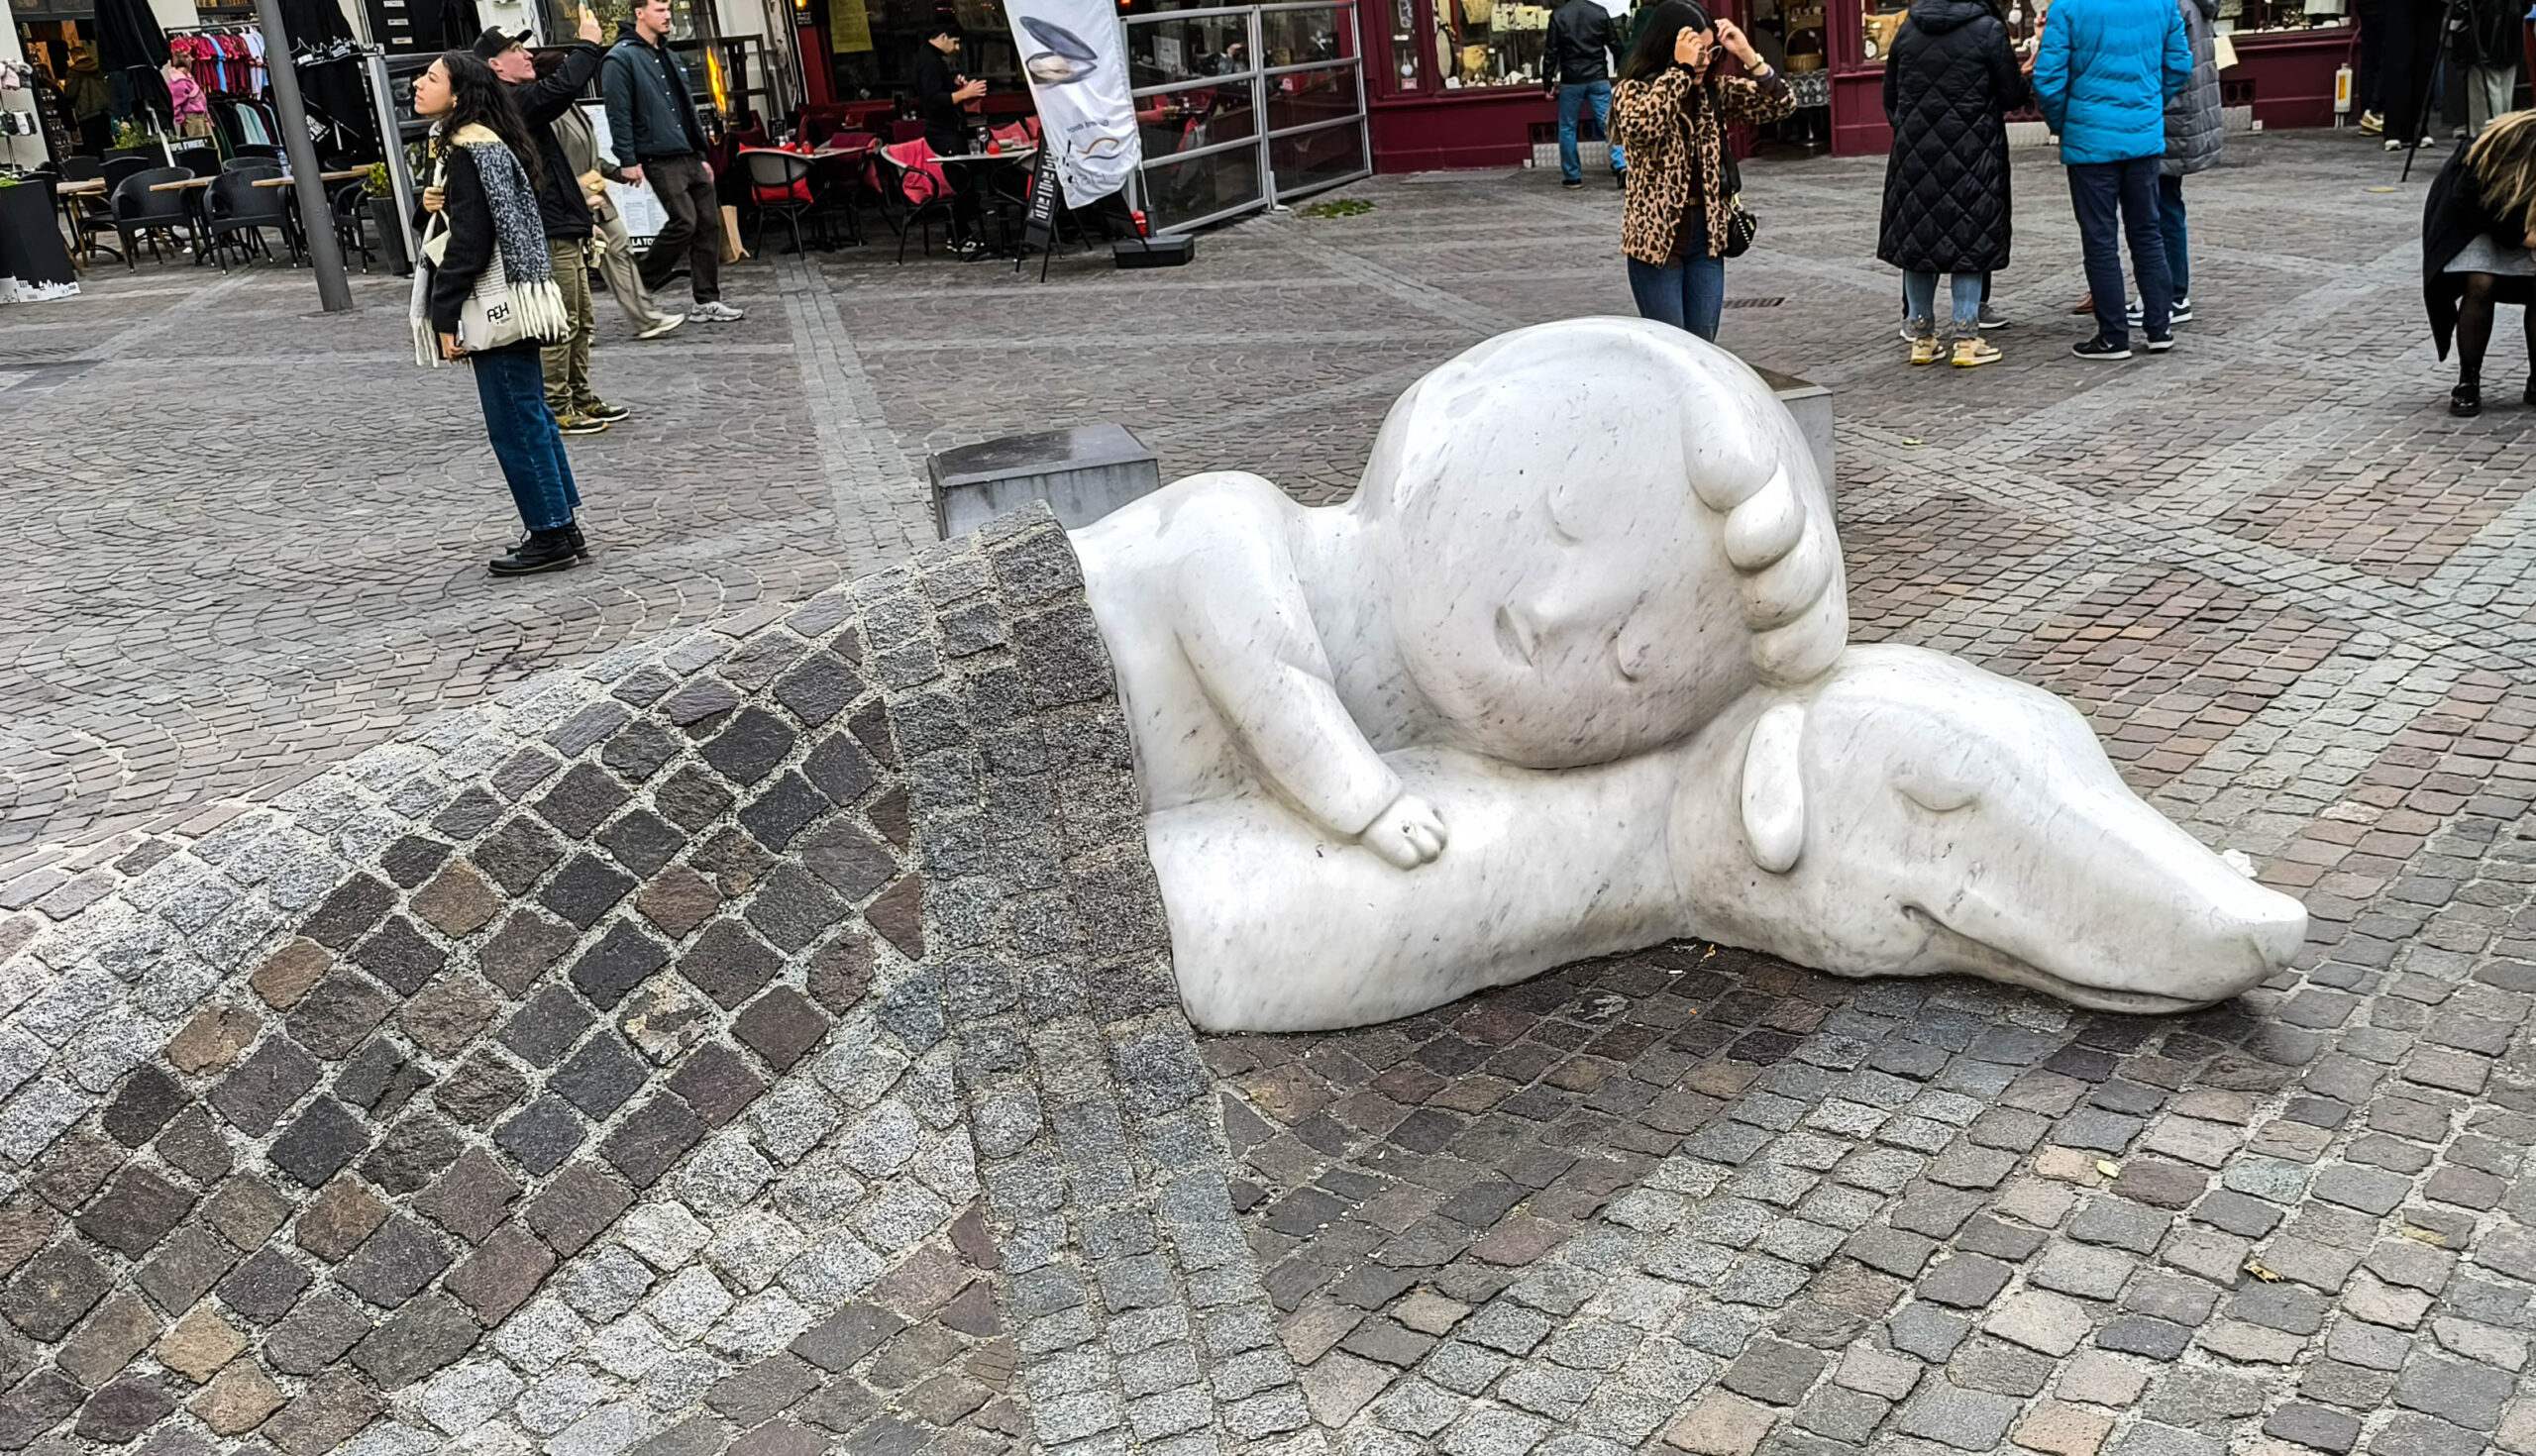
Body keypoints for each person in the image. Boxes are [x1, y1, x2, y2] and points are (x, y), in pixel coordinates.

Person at [410, 51, 586, 576]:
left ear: (458, 95)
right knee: (532, 415)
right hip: (521, 294)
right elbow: (466, 222)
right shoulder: (483, 142)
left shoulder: (468, 149)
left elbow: (469, 242)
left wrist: (443, 316)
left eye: (431, 78)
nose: (418, 84)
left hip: (495, 302)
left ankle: (550, 534)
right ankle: (562, 525)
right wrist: (431, 204)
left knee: (515, 423)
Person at [1610, 0, 1793, 341]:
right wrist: (1680, 71)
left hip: (1707, 240)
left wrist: (1748, 54)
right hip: (1657, 244)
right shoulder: (1632, 91)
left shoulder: (1712, 92)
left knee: (1704, 347)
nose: (1705, 61)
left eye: (1710, 52)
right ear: (1671, 47)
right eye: (1698, 52)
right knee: (1672, 349)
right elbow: (1642, 127)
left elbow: (1781, 105)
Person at [477, 14, 620, 436]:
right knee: (562, 321)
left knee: (582, 319)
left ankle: (578, 394)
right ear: (495, 66)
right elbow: (559, 89)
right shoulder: (508, 103)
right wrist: (588, 45)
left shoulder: (518, 99)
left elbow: (554, 170)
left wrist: (582, 220)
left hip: (563, 224)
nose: (526, 55)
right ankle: (557, 404)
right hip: (547, 230)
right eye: (515, 50)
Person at [2033, 0, 2189, 360]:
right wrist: (2149, 103)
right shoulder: (2162, 4)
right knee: (2148, 232)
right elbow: (2179, 65)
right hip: (2141, 135)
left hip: (2090, 138)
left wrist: (2063, 123)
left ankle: (2113, 334)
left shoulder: (2068, 7)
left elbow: (2048, 79)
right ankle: (2159, 327)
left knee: (2100, 238)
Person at [1877, 0, 2026, 366]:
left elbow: (1890, 95)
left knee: (1918, 242)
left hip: (1914, 153)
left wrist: (1909, 129)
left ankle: (1922, 337)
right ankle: (1966, 338)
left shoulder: (1908, 29)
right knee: (1969, 239)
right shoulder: (1988, 29)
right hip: (1973, 150)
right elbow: (2011, 96)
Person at [602, 0, 743, 321]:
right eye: (660, 10)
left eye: (669, 9)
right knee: (685, 221)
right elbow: (618, 114)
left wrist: (701, 154)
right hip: (658, 156)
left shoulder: (669, 55)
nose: (668, 16)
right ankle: (638, 283)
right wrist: (628, 159)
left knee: (708, 224)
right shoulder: (620, 58)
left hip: (688, 154)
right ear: (639, 13)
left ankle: (706, 300)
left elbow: (686, 109)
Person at [551, 82, 686, 341]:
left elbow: (591, 160)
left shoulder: (572, 108)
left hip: (597, 200)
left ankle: (645, 317)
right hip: (572, 202)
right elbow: (553, 167)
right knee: (572, 266)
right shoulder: (550, 114)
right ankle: (577, 329)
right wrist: (582, 195)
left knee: (620, 250)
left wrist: (618, 173)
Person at [2423, 109, 2536, 416]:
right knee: (2481, 282)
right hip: (2474, 220)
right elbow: (2467, 199)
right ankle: (2468, 380)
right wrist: (2521, 236)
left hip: (2526, 211)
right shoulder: (2485, 154)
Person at [2149, 0, 2220, 324]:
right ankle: (2170, 292)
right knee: (2166, 204)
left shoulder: (2174, 4)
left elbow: (2169, 62)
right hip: (2182, 113)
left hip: (2170, 115)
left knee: (2162, 207)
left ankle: (2171, 295)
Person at [915, 18, 991, 258]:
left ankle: (959, 235)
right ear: (943, 37)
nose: (957, 48)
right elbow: (933, 100)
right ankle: (960, 237)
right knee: (960, 183)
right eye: (955, 42)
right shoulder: (930, 62)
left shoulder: (930, 59)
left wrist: (956, 89)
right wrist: (964, 94)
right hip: (943, 132)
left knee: (963, 182)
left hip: (948, 130)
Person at [1545, 0, 1626, 188]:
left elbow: (1551, 53)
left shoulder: (1558, 16)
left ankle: (1572, 176)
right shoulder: (1599, 12)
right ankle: (1621, 164)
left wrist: (1547, 84)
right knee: (1609, 124)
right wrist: (1623, 72)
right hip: (1598, 76)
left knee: (1567, 127)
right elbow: (1615, 45)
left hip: (1571, 80)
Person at [2452, 0, 2522, 139]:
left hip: (2484, 29)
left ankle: (2487, 138)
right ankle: (2502, 135)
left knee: (2485, 90)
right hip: (2512, 26)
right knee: (2505, 88)